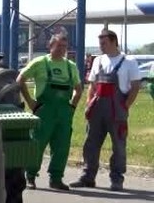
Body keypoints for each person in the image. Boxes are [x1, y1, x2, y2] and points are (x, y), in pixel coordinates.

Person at [70, 28, 144, 191]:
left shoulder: (128, 61)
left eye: (103, 43)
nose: (101, 46)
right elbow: (93, 85)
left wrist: (126, 106)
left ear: (113, 42)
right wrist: (89, 104)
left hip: (117, 111)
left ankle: (116, 179)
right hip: (97, 110)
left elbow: (136, 86)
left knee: (118, 145)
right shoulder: (98, 60)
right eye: (100, 43)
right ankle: (88, 177)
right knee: (90, 143)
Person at [16, 32, 82, 190]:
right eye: (59, 46)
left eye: (64, 46)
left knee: (62, 147)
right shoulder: (40, 63)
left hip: (64, 113)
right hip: (44, 111)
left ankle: (56, 179)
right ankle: (30, 176)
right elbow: (20, 80)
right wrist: (31, 103)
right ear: (50, 46)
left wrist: (72, 106)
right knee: (37, 144)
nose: (62, 49)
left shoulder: (70, 66)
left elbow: (78, 89)